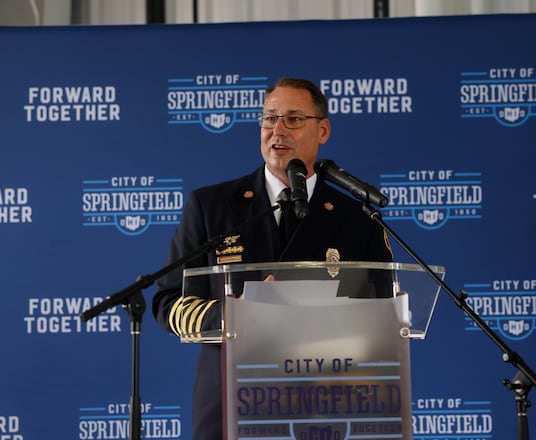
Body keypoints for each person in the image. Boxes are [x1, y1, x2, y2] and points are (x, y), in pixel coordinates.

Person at [151, 77, 393, 440]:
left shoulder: (357, 216)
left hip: (325, 405)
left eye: (294, 119)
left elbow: (385, 311)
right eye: (269, 118)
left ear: (322, 130)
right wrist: (234, 315)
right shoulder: (212, 206)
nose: (277, 129)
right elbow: (167, 302)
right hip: (232, 404)